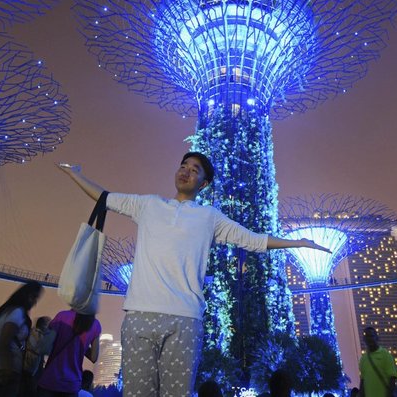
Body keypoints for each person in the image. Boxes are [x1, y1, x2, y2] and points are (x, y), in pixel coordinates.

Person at [57, 153, 330, 397]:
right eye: (183, 165)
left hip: (184, 320)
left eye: (195, 169)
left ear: (204, 184)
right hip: (139, 316)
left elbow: (253, 239)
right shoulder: (149, 205)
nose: (186, 170)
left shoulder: (210, 217)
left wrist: (299, 242)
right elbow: (105, 198)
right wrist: (76, 174)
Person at [0, 281, 44, 397]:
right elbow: (4, 343)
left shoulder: (4, 312)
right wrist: (9, 371)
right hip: (1, 374)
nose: (34, 302)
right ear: (25, 295)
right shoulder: (17, 313)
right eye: (34, 297)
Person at [36, 310, 102, 397]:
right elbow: (94, 357)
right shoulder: (95, 325)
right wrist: (80, 346)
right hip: (71, 384)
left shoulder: (62, 316)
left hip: (51, 379)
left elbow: (45, 347)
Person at [358, 326, 397, 397]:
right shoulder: (363, 359)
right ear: (364, 340)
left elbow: (392, 378)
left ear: (377, 337)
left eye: (371, 336)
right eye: (367, 337)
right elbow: (363, 381)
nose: (369, 339)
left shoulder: (385, 355)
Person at [22, 316, 56, 396]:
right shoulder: (37, 335)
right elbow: (43, 350)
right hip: (28, 370)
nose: (51, 327)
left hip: (27, 369)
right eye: (49, 324)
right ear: (44, 325)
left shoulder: (31, 332)